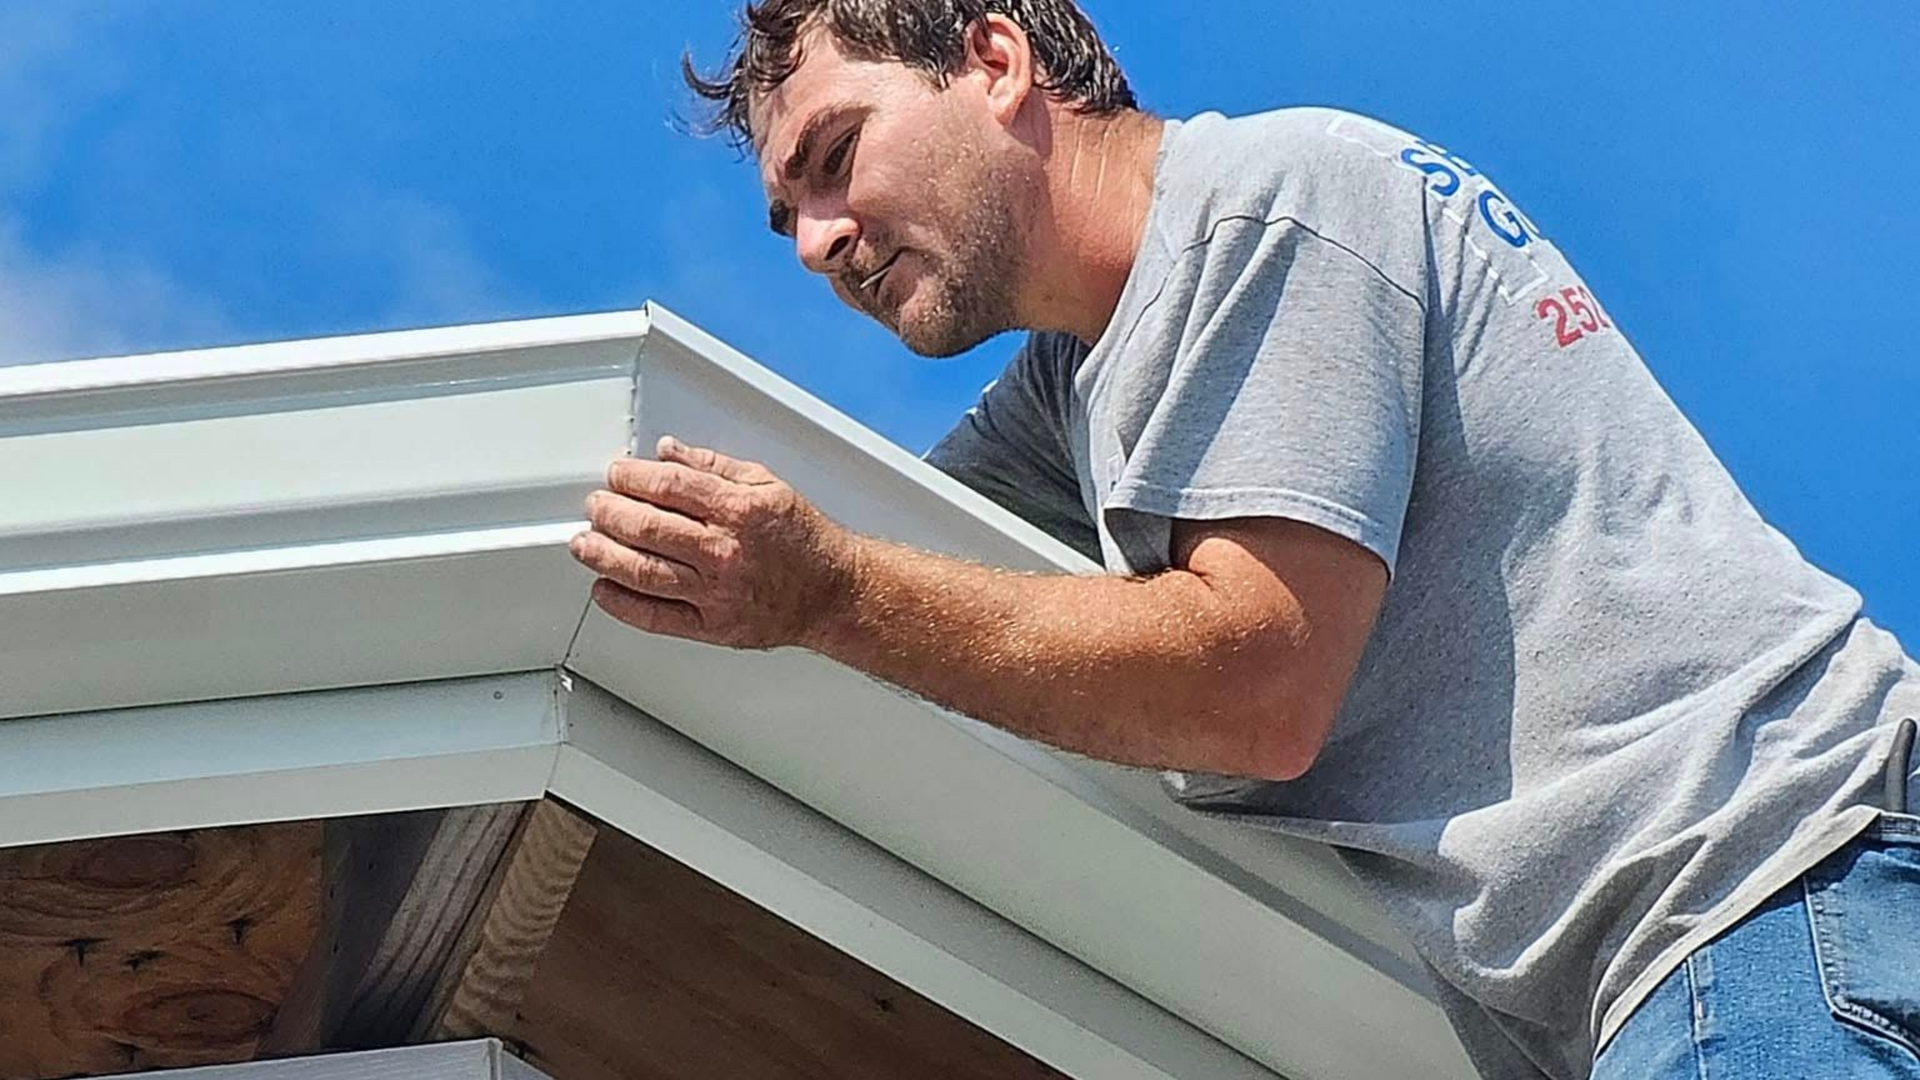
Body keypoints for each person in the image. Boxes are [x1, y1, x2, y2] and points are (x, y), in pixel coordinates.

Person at [563, 2, 1920, 1076]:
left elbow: (1255, 682)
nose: (813, 242)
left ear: (994, 60)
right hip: (1725, 953)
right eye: (786, 214)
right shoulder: (1073, 388)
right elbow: (911, 544)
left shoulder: (1274, 209)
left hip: (1768, 906)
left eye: (835, 158)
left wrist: (825, 595)